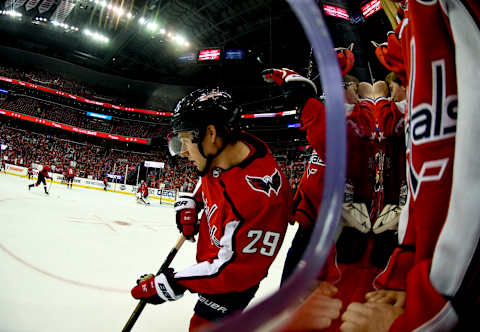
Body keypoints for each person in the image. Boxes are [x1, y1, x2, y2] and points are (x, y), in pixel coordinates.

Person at [341, 1, 480, 331]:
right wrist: (410, 265)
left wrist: (437, 308)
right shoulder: (416, 15)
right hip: (440, 276)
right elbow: (431, 167)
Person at [130, 88, 293, 332]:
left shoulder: (259, 204)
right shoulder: (228, 148)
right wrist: (193, 202)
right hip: (214, 259)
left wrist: (170, 283)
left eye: (185, 141)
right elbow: (209, 175)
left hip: (229, 286)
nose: (183, 152)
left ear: (211, 133)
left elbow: (230, 271)